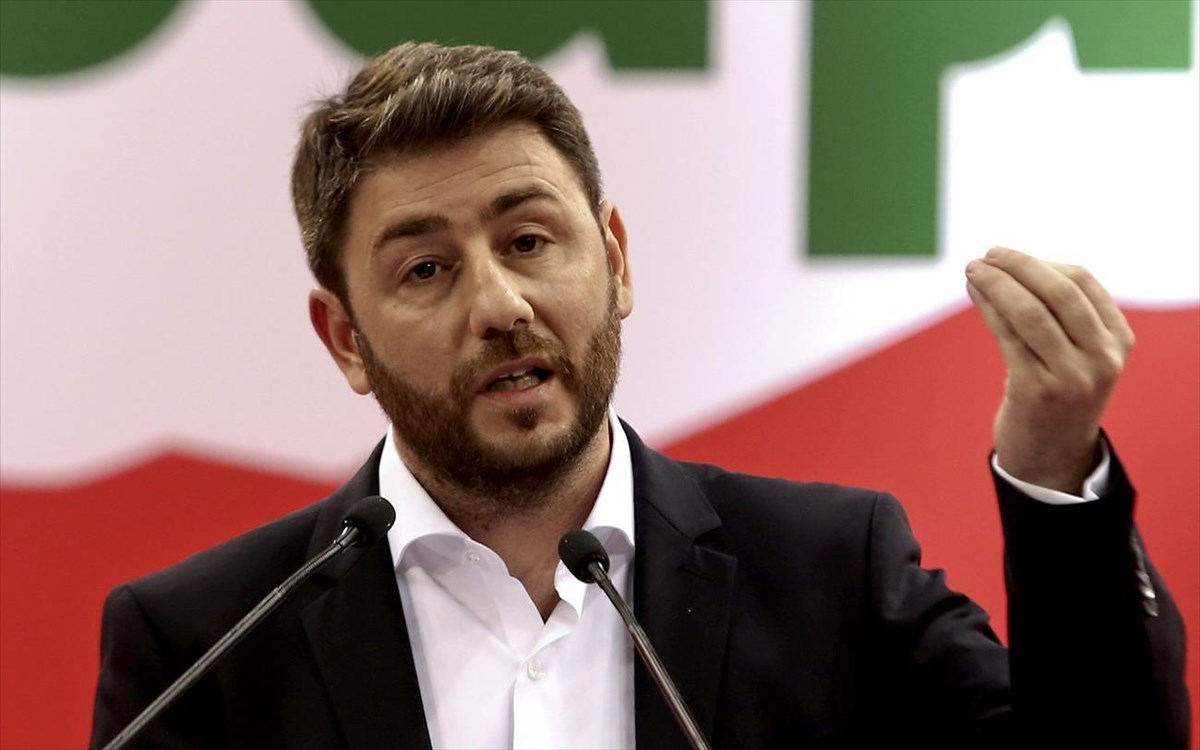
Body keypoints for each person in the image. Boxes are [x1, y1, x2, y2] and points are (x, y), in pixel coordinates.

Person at [90, 42, 1189, 750]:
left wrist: (1055, 472)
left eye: (531, 241)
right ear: (346, 339)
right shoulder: (204, 646)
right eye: (425, 269)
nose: (501, 305)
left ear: (615, 260)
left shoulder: (830, 573)